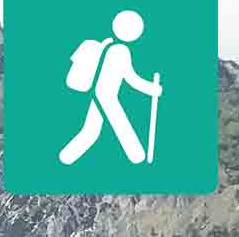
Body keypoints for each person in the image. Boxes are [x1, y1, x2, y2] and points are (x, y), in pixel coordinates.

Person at [59, 9, 162, 165]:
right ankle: (138, 158)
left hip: (96, 92)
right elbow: (131, 78)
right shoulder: (121, 51)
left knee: (92, 130)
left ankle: (66, 158)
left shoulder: (104, 44)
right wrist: (152, 89)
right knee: (118, 127)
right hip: (106, 95)